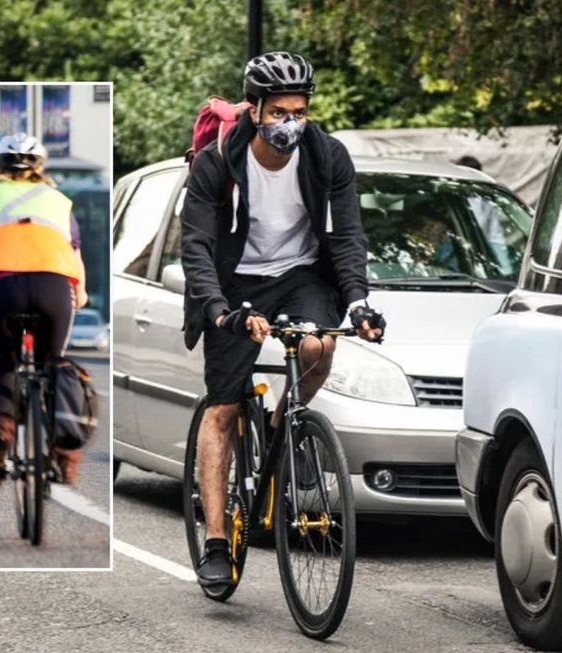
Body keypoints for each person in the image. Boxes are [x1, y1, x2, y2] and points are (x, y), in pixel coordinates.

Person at [181, 51, 385, 587]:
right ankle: (218, 541)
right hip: (234, 280)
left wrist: (359, 300)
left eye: (299, 111)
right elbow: (197, 245)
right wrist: (220, 311)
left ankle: (283, 429)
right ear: (254, 110)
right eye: (279, 113)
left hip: (300, 274)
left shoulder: (328, 157)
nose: (290, 123)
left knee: (319, 346)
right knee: (222, 409)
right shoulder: (217, 164)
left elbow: (346, 236)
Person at [0, 133, 88, 489]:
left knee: (5, 364)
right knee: (55, 363)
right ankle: (64, 454)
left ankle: (0, 438)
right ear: (39, 167)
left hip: (3, 288)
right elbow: (74, 253)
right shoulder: (59, 200)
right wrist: (81, 293)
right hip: (53, 287)